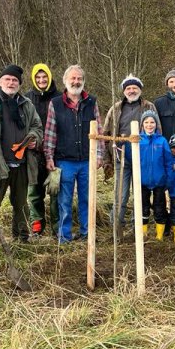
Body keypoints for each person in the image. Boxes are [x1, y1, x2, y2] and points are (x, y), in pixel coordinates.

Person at [0, 64, 43, 250]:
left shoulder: (26, 104)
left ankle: (22, 237)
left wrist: (34, 139)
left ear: (19, 84)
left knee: (21, 204)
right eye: (7, 79)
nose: (11, 82)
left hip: (21, 163)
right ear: (0, 81)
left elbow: (37, 127)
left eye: (15, 80)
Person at [44, 65, 104, 244]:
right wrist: (49, 156)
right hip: (64, 161)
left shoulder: (92, 102)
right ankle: (64, 236)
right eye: (73, 78)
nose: (76, 82)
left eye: (79, 79)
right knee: (65, 200)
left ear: (83, 81)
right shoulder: (55, 104)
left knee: (87, 198)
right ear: (65, 81)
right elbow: (50, 132)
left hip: (87, 160)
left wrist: (99, 154)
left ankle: (87, 233)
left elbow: (98, 130)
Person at [103, 74, 156, 229]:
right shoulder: (116, 109)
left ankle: (137, 227)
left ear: (140, 89)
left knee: (139, 193)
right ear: (124, 91)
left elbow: (157, 130)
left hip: (143, 157)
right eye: (128, 88)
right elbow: (106, 135)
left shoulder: (149, 107)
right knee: (121, 194)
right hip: (121, 156)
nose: (131, 91)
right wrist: (107, 159)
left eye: (134, 88)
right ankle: (117, 227)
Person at [25, 63, 59, 237]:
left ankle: (57, 227)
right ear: (33, 79)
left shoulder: (59, 98)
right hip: (34, 154)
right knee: (34, 192)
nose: (41, 80)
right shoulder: (27, 99)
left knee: (55, 191)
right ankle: (37, 224)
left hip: (55, 152)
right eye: (38, 77)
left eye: (44, 76)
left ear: (49, 77)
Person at [138, 110, 171, 240]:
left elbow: (168, 161)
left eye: (152, 122)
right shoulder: (138, 140)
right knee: (143, 208)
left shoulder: (162, 141)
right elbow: (131, 158)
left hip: (159, 181)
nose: (149, 125)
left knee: (159, 207)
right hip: (142, 180)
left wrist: (168, 179)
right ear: (142, 124)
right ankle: (143, 234)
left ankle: (159, 236)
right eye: (146, 122)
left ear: (156, 124)